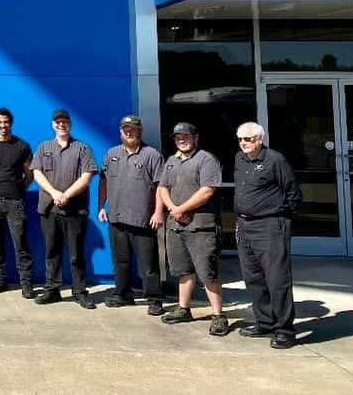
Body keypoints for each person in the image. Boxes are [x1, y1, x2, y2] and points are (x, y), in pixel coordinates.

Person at [234, 122, 303, 349]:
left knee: (277, 279)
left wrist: (280, 219)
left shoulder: (275, 160)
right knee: (253, 277)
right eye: (240, 139)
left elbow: (293, 194)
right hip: (245, 225)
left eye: (248, 139)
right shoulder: (239, 159)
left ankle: (285, 330)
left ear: (259, 139)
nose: (243, 143)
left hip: (270, 225)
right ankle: (265, 322)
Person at [158, 122, 229, 336]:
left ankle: (218, 315)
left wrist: (181, 209)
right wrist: (173, 210)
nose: (182, 140)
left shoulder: (207, 160)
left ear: (196, 138)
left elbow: (208, 190)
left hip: (202, 227)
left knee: (208, 272)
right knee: (183, 270)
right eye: (178, 137)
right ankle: (184, 308)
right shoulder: (172, 161)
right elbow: (162, 187)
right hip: (176, 226)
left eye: (186, 136)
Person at [98, 115, 165, 315]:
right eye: (125, 129)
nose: (128, 132)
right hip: (117, 217)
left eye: (132, 128)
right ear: (120, 131)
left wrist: (158, 212)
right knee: (120, 260)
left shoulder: (152, 155)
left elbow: (161, 187)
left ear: (140, 131)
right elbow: (104, 181)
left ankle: (154, 299)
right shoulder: (111, 154)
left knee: (148, 263)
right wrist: (101, 206)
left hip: (143, 219)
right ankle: (123, 294)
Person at [31, 109, 98, 309]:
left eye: (65, 121)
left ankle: (80, 292)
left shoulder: (82, 148)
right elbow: (36, 173)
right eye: (58, 122)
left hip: (75, 211)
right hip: (49, 209)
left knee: (76, 253)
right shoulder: (43, 147)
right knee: (52, 252)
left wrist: (66, 195)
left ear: (70, 124)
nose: (61, 125)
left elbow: (86, 177)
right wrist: (54, 193)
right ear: (53, 124)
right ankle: (52, 290)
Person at [0, 108, 34, 298]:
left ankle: (26, 284)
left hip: (15, 202)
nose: (3, 125)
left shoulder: (22, 146)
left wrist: (18, 189)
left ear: (11, 123)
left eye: (6, 122)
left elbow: (30, 173)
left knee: (21, 244)